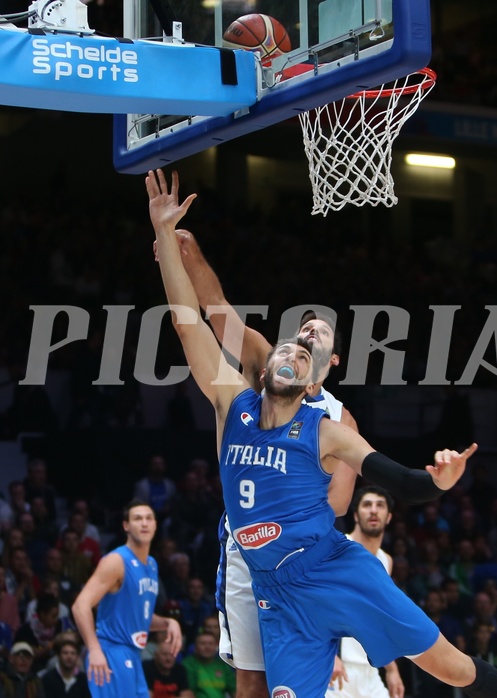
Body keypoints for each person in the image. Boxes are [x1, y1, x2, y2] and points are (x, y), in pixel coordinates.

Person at [147, 168, 497, 698]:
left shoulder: (328, 429)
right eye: (288, 343)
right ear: (261, 367)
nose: (294, 347)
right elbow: (193, 319)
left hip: (331, 567)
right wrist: (166, 236)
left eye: (308, 349)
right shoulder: (232, 402)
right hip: (272, 588)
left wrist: (439, 480)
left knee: (451, 666)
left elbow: (395, 479)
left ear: (315, 379)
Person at [152, 183, 358, 698]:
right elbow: (215, 308)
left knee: (293, 684)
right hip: (249, 543)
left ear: (333, 363)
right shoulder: (265, 369)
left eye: (322, 332)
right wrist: (185, 247)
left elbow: (337, 503)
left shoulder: (339, 418)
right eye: (305, 326)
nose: (310, 332)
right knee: (250, 682)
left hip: (303, 554)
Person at [72, 500, 182, 698]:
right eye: (137, 519)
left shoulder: (152, 564)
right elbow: (80, 606)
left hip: (132, 653)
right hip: (111, 652)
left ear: (156, 524)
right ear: (126, 526)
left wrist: (168, 622)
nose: (144, 523)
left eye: (149, 518)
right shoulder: (116, 561)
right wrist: (94, 649)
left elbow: (139, 618)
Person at [326, 486, 404, 698]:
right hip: (337, 666)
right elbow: (321, 605)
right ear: (355, 515)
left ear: (388, 517)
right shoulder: (338, 549)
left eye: (379, 506)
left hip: (370, 668)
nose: (373, 510)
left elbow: (379, 618)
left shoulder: (385, 560)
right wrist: (330, 656)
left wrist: (393, 670)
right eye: (367, 505)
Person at [182, 631, 235, 698]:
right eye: (203, 643)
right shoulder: (187, 665)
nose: (207, 647)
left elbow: (234, 691)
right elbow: (188, 693)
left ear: (216, 646)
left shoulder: (223, 665)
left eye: (211, 644)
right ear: (195, 647)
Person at [41, 633, 90, 698]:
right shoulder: (47, 679)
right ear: (58, 656)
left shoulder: (84, 680)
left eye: (73, 653)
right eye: (65, 653)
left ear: (77, 656)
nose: (69, 657)